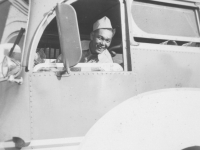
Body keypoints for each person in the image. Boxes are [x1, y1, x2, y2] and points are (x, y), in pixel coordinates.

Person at [35, 16, 115, 65]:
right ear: (92, 36)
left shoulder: (107, 60)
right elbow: (59, 63)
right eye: (100, 38)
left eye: (107, 40)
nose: (103, 44)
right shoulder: (77, 46)